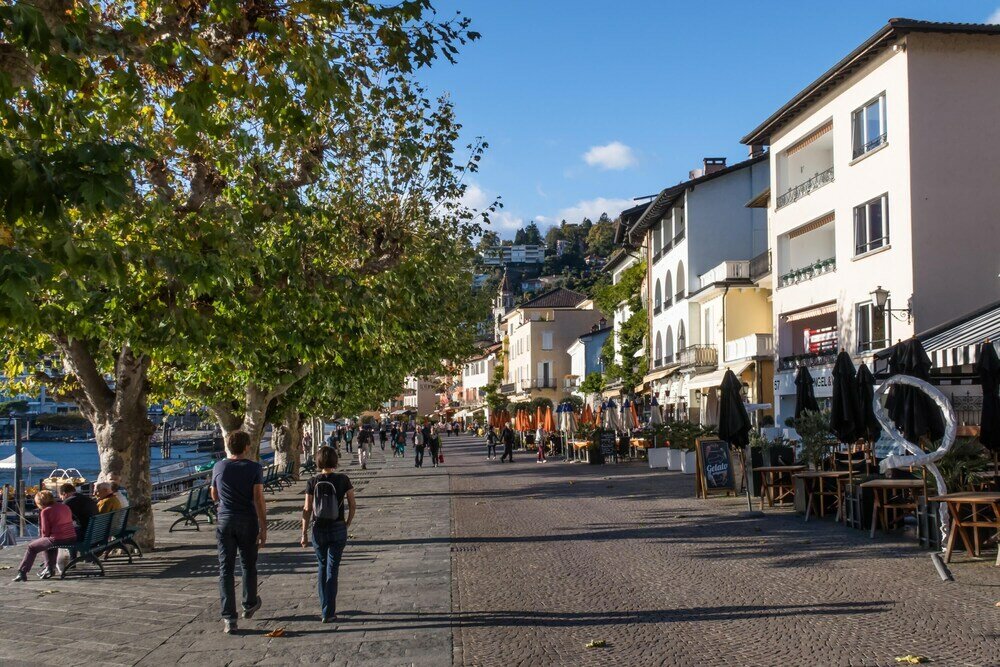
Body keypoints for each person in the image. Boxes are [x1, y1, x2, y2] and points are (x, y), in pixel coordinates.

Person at [211, 431, 267, 634]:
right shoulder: (254, 468)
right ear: (246, 447)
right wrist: (263, 526)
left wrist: (222, 504)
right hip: (247, 520)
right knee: (248, 564)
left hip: (225, 520)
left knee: (225, 568)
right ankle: (250, 603)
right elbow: (258, 498)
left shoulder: (219, 466)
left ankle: (229, 618)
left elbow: (214, 493)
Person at [301, 446, 356, 623]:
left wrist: (303, 533)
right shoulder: (343, 479)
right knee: (333, 569)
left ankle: (324, 607)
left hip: (318, 529)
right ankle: (329, 611)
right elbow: (353, 504)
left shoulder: (312, 481)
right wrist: (347, 522)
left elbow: (307, 509)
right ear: (335, 460)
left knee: (322, 567)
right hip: (338, 527)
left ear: (318, 461)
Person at [12, 490, 77, 582]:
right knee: (47, 543)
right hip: (71, 537)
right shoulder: (64, 506)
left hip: (58, 539)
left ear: (40, 502)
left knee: (32, 547)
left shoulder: (45, 511)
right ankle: (49, 569)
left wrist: (42, 539)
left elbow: (45, 532)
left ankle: (22, 572)